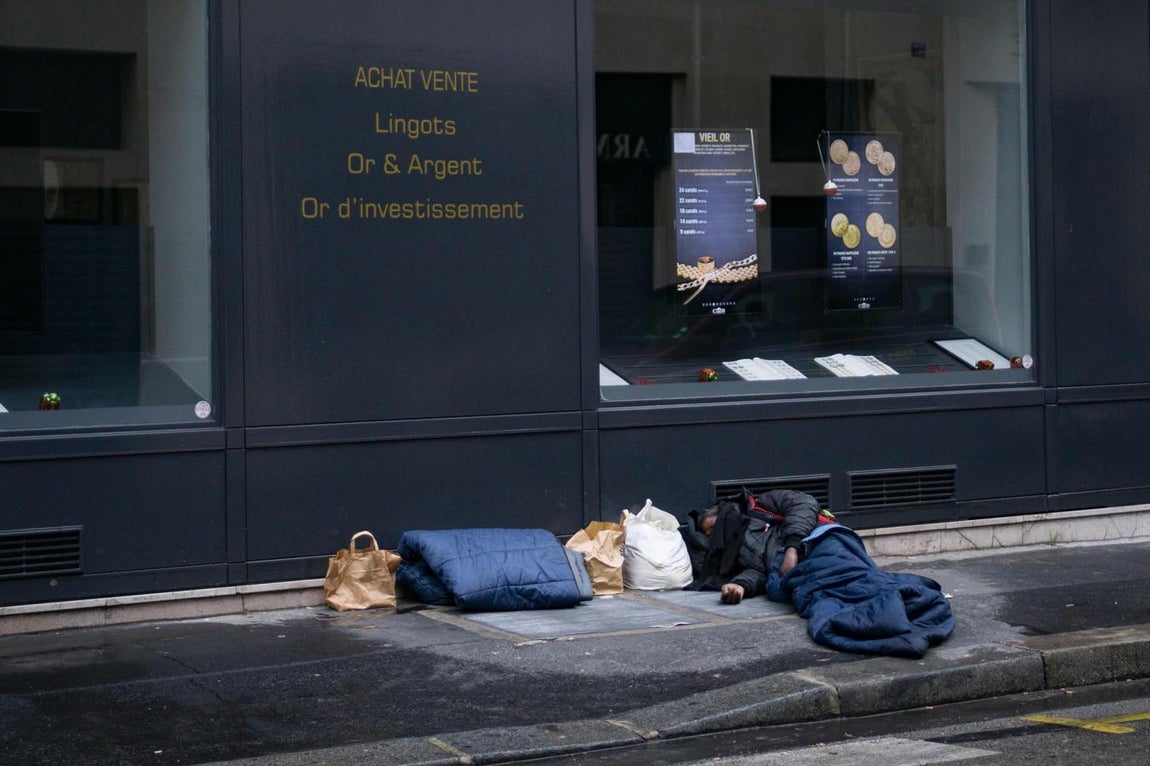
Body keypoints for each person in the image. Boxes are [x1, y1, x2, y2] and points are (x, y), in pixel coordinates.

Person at [681, 488, 825, 604]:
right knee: (781, 592)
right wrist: (741, 585)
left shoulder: (759, 506)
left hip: (817, 541)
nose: (714, 533)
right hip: (790, 572)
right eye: (709, 535)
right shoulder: (734, 554)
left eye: (713, 526)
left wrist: (792, 548)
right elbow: (757, 572)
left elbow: (804, 503)